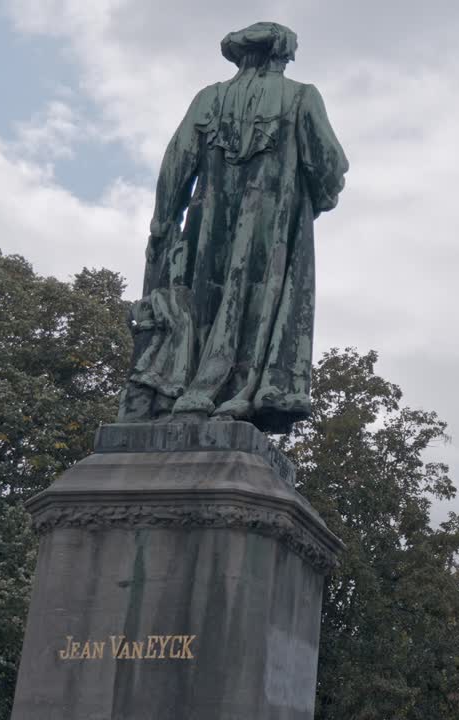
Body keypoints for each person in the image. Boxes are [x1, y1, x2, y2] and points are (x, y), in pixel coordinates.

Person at [119, 21, 349, 434]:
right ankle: (236, 394)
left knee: (201, 302)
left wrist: (163, 220)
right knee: (260, 305)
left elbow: (177, 161)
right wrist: (315, 198)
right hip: (273, 228)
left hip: (207, 227)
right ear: (280, 56)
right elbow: (328, 163)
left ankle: (187, 389)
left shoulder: (209, 98)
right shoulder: (300, 96)